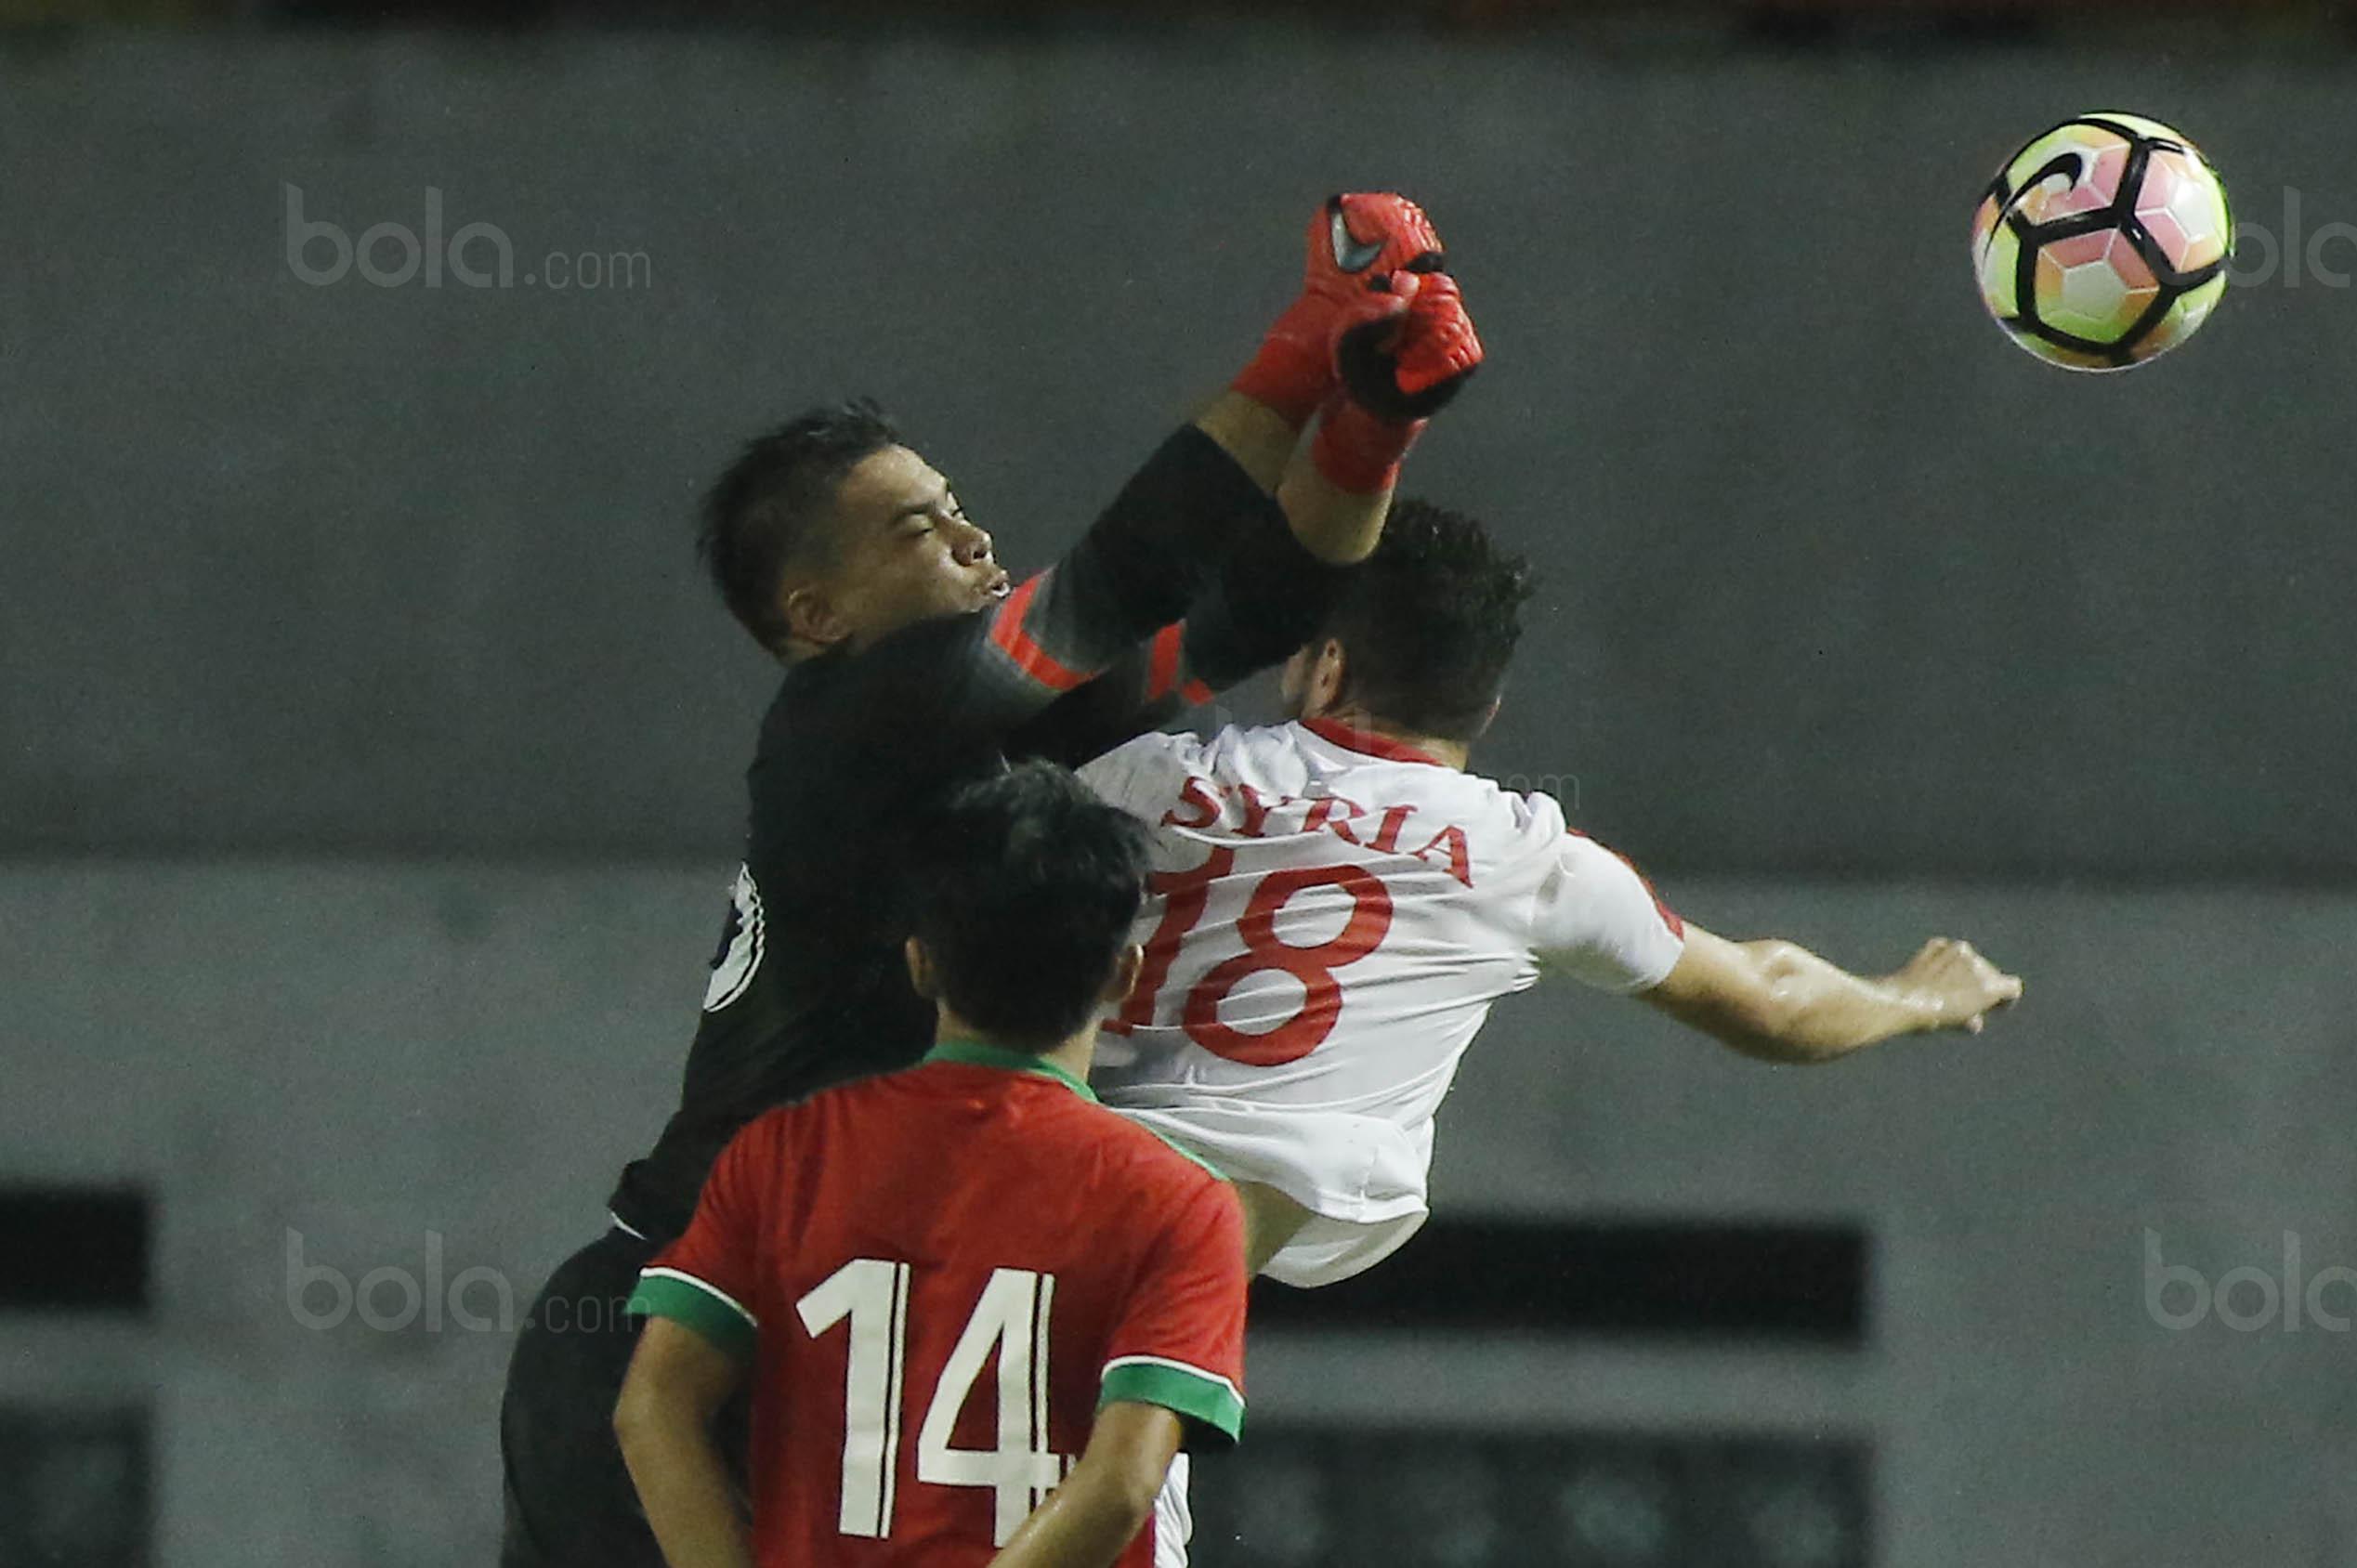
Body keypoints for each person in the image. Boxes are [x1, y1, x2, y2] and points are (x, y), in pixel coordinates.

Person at [500, 194, 1481, 1566]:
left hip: (818, 1333)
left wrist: (1375, 420)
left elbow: (1257, 605)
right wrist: (1307, 345)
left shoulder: (988, 727)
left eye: (960, 509)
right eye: (916, 529)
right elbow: (1117, 577)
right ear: (816, 617)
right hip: (676, 1330)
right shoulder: (848, 725)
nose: (970, 539)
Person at [1077, 500, 2024, 1285]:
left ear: (1326, 668)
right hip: (1188, 1252)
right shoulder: (1527, 859)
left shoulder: (1149, 775)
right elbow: (1772, 999)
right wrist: (1916, 997)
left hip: (1054, 1175)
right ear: (1485, 709)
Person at [615, 763, 1248, 1568]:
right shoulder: (1180, 1202)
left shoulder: (786, 1153)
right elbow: (1123, 1483)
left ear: (920, 963)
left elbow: (653, 1406)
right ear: (1125, 974)